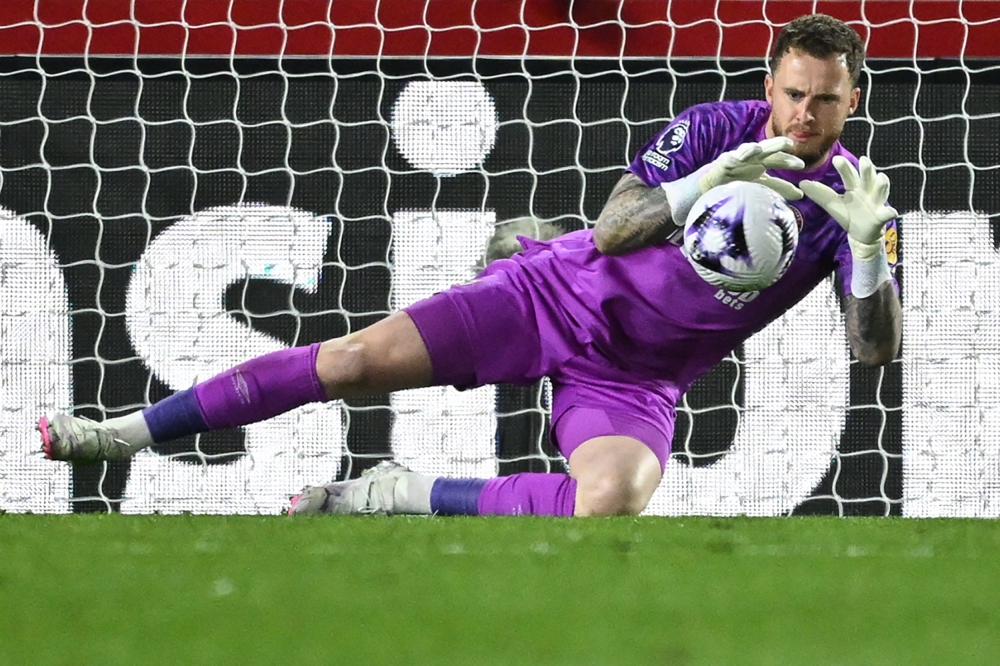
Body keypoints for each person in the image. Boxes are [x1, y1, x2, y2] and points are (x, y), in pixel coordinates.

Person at [39, 13, 900, 518]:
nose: (804, 113)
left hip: (637, 375)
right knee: (348, 363)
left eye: (826, 98)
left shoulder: (852, 202)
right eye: (793, 92)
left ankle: (395, 493)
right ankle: (117, 434)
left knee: (610, 502)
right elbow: (612, 230)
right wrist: (710, 180)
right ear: (771, 81)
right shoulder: (716, 129)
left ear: (852, 98)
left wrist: (869, 256)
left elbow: (873, 352)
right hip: (553, 296)